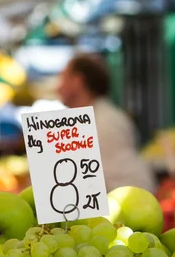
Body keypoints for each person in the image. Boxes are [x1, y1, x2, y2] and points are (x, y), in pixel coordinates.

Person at [57, 53, 156, 193]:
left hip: (128, 206)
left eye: (63, 78)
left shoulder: (105, 122)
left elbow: (107, 180)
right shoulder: (97, 118)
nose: (58, 88)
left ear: (78, 81)